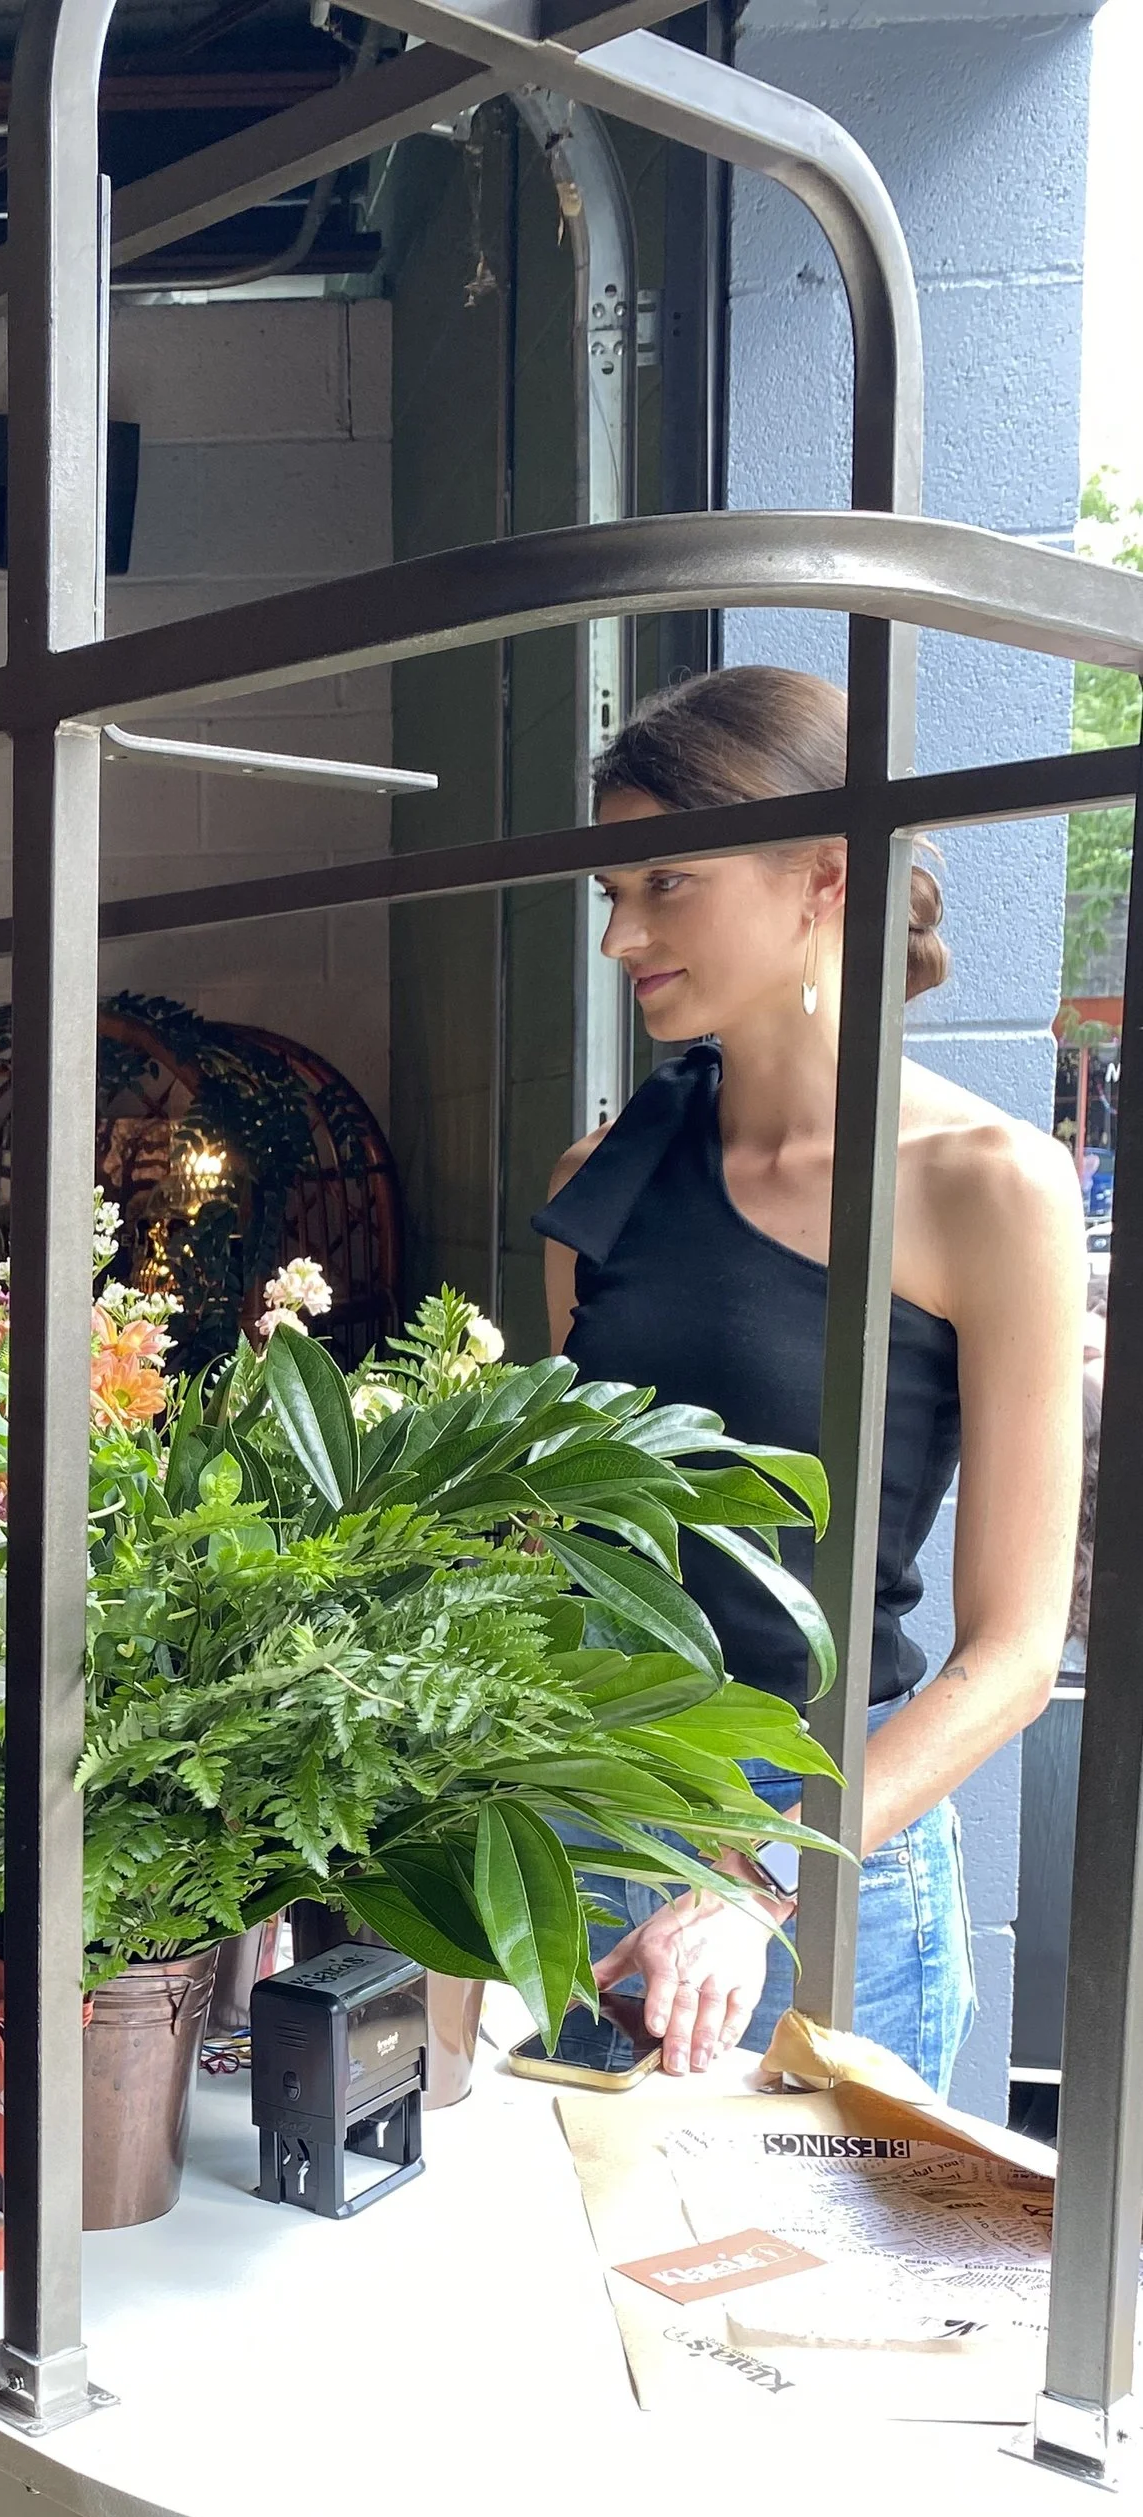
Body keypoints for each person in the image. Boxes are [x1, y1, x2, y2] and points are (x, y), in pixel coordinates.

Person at [536, 665, 1085, 2092]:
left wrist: (756, 1878)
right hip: (577, 1826)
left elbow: (1016, 1655)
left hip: (826, 1848)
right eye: (613, 892)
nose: (621, 936)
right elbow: (556, 1549)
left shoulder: (984, 1188)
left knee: (812, 2316)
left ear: (822, 877)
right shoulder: (599, 1185)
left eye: (665, 884)